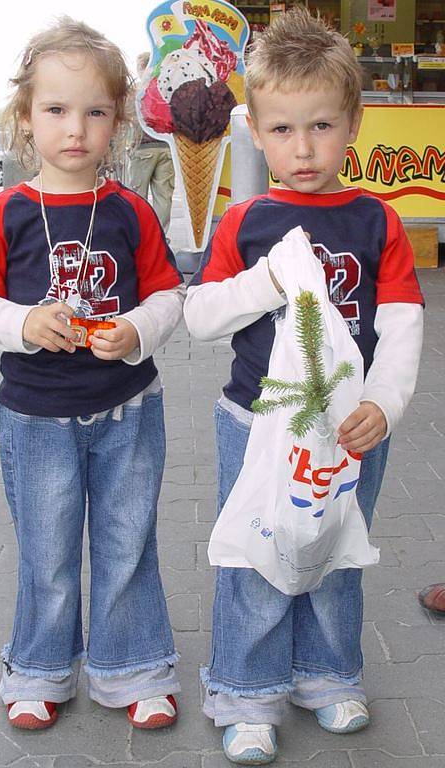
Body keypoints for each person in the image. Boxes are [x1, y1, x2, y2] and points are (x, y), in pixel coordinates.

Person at [184, 8, 424, 765]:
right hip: (256, 423)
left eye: (321, 126)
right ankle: (246, 691)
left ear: (352, 123)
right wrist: (264, 279)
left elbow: (404, 321)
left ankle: (327, 675)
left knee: (334, 550)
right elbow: (201, 316)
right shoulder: (246, 218)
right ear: (256, 130)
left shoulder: (377, 220)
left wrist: (385, 403)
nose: (303, 147)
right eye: (283, 129)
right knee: (257, 556)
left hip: (349, 426)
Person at [0, 17, 185, 733]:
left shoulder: (131, 211)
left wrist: (139, 330)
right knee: (48, 549)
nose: (74, 129)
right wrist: (22, 324)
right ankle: (40, 670)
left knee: (127, 538)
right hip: (35, 416)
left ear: (116, 121)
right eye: (55, 109)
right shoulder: (7, 213)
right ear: (25, 117)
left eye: (93, 111)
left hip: (127, 412)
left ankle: (134, 668)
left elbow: (169, 295)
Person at [128, 52, 175, 234]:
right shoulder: (167, 87)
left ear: (141, 68)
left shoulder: (139, 91)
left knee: (138, 196)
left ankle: (139, 236)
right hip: (166, 147)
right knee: (164, 197)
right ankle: (162, 237)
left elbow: (129, 117)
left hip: (142, 148)